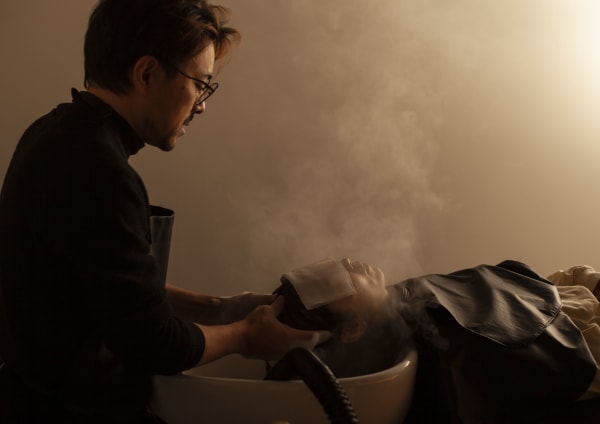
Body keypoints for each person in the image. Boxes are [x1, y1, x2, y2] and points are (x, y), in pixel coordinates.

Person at [0, 1, 329, 423]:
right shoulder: (103, 173)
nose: (201, 105)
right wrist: (246, 336)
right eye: (200, 84)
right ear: (146, 74)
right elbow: (154, 343)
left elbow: (106, 286)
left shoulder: (52, 133)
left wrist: (218, 308)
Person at [274, 257, 600, 423]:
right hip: (574, 333)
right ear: (351, 330)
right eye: (336, 280)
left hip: (557, 293)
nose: (347, 262)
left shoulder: (397, 303)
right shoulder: (429, 351)